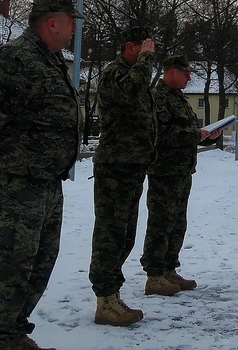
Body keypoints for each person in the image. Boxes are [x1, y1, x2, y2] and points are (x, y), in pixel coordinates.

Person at [0, 0, 84, 350]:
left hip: (45, 180)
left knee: (40, 260)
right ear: (52, 22)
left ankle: (13, 332)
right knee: (11, 260)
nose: (74, 28)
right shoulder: (18, 58)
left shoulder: (49, 60)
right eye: (71, 21)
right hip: (17, 182)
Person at [88, 26, 157, 327]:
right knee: (110, 234)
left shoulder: (132, 75)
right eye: (143, 49)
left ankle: (112, 295)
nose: (148, 56)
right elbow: (129, 93)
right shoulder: (115, 74)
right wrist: (145, 62)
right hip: (114, 167)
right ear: (130, 47)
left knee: (125, 235)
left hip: (131, 167)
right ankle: (104, 299)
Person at [141, 55, 220, 297]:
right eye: (185, 73)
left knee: (177, 222)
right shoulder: (159, 98)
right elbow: (163, 133)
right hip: (164, 170)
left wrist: (206, 135)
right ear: (171, 72)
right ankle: (154, 274)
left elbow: (184, 130)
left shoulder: (179, 99)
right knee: (161, 222)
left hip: (181, 170)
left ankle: (169, 269)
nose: (188, 78)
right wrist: (196, 134)